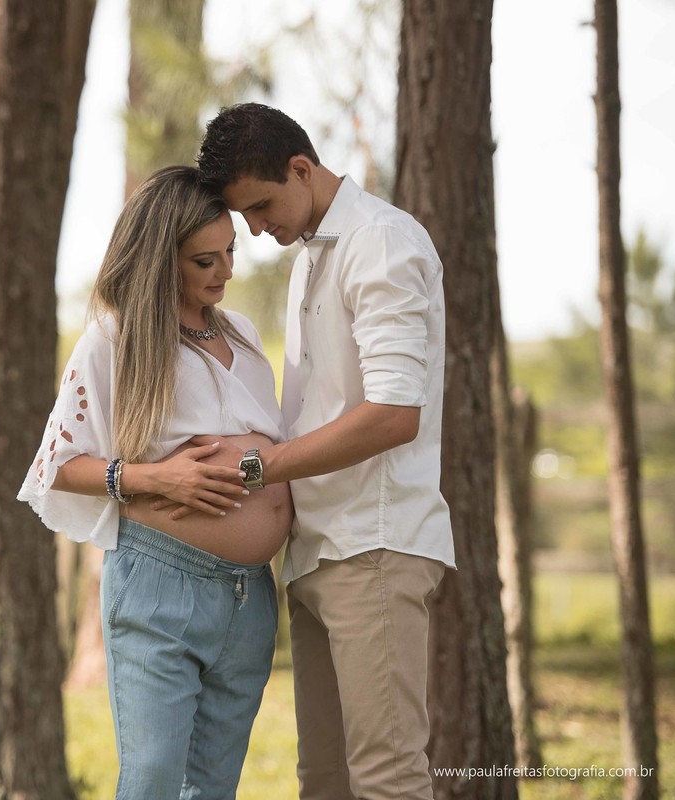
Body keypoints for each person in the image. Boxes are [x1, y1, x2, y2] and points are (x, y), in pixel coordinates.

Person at [187, 103, 457, 800]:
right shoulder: (315, 255)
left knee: (388, 780)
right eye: (243, 215)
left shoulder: (381, 243)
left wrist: (258, 467)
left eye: (262, 205)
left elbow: (395, 415)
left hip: (374, 545)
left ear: (301, 168)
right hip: (317, 553)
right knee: (325, 784)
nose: (255, 228)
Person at [18, 165, 294, 800]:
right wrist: (153, 477)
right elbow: (55, 466)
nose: (225, 270)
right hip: (160, 588)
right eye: (205, 260)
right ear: (161, 259)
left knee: (214, 787)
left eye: (230, 252)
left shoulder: (243, 336)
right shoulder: (113, 340)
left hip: (250, 596)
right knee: (150, 783)